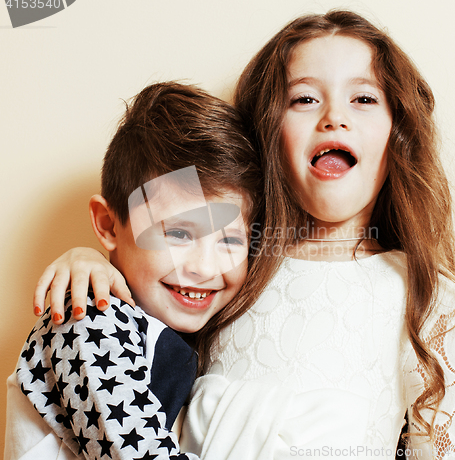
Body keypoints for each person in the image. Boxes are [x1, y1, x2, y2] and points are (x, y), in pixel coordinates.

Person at [28, 10, 455, 460]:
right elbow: (138, 343)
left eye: (363, 98)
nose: (334, 117)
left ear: (396, 131)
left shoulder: (426, 294)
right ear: (269, 129)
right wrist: (89, 262)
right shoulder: (238, 269)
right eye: (304, 99)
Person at [4, 81, 269, 460]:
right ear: (110, 225)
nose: (205, 267)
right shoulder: (87, 320)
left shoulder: (169, 326)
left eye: (230, 241)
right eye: (178, 233)